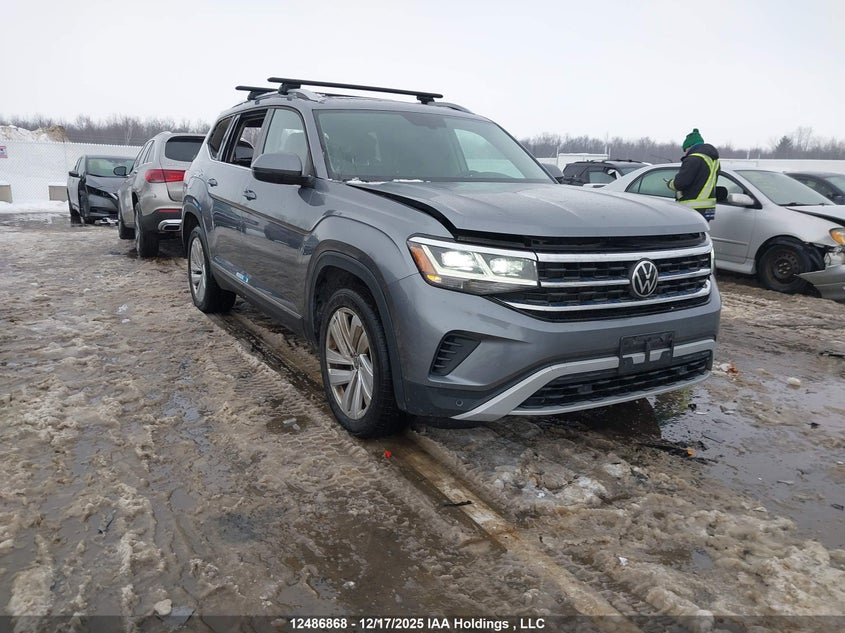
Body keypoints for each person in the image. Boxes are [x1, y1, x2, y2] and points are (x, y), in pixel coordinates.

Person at [667, 128, 720, 222]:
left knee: (686, 236)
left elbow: (680, 184)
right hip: (708, 208)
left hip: (692, 207)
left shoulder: (693, 159)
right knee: (700, 235)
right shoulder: (715, 161)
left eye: (685, 149)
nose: (685, 152)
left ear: (690, 146)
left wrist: (670, 183)